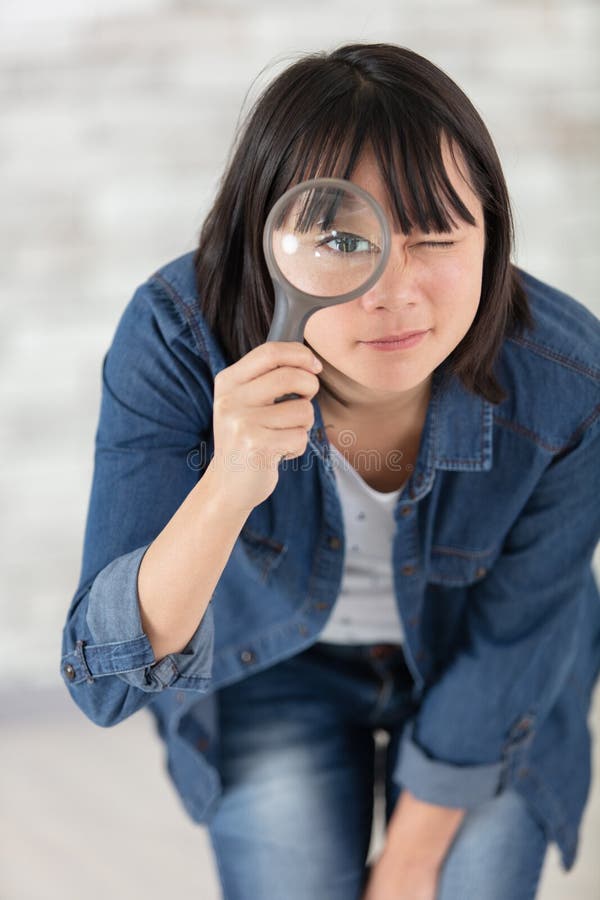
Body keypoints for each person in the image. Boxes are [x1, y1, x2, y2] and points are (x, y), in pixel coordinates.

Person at [60, 42, 600, 900]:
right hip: (274, 666)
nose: (395, 291)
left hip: (481, 664)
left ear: (492, 234)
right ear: (267, 242)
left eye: (436, 236)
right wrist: (230, 479)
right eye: (345, 240)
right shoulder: (175, 336)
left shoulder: (568, 381)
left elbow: (519, 635)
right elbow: (105, 683)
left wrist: (409, 864)